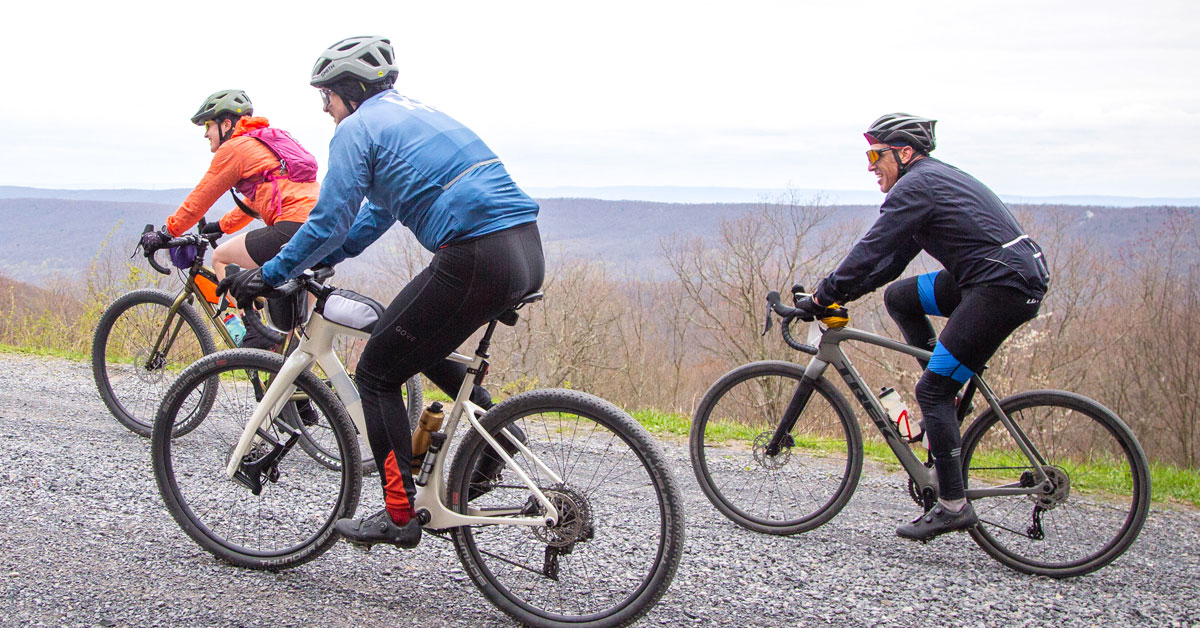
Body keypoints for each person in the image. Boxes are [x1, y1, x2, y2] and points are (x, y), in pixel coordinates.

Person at [219, 36, 544, 549]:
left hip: (475, 253)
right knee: (407, 334)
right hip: (523, 249)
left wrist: (272, 271)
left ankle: (398, 515)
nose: (324, 110)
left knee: (374, 373)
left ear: (347, 93)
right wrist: (325, 258)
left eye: (325, 97)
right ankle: (497, 433)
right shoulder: (409, 116)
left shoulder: (356, 129)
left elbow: (327, 220)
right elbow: (372, 215)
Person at [795, 113, 1050, 541]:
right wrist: (841, 296)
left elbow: (870, 247)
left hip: (1000, 287)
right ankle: (943, 397)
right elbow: (889, 262)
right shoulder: (927, 184)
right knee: (901, 297)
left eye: (876, 155)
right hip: (990, 276)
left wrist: (822, 296)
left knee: (933, 390)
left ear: (905, 153)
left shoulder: (916, 187)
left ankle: (953, 505)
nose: (871, 165)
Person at [141, 89, 320, 298]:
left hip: (293, 227)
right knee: (293, 326)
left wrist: (166, 232)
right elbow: (256, 201)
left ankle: (238, 327)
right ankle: (275, 331)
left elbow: (201, 197)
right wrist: (221, 226)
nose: (205, 134)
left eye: (208, 125)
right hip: (323, 225)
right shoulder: (260, 145)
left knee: (221, 258)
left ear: (226, 124)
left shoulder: (235, 148)